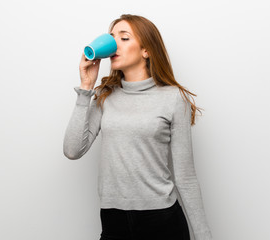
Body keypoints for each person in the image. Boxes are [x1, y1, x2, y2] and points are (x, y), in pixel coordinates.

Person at [63, 14, 212, 240]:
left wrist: (203, 235)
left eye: (124, 38)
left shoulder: (173, 98)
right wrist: (86, 88)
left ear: (146, 51)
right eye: (111, 38)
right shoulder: (105, 95)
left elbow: (186, 177)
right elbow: (72, 150)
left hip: (162, 220)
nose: (113, 45)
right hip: (113, 219)